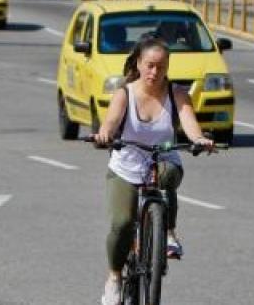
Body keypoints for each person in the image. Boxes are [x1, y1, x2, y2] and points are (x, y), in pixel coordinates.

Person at [93, 36, 215, 305]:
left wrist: (198, 139)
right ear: (139, 63)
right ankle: (114, 277)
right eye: (150, 65)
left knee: (168, 174)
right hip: (126, 166)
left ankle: (168, 232)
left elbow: (189, 122)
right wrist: (104, 135)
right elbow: (111, 123)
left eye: (161, 66)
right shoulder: (124, 94)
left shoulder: (177, 94)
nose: (155, 72)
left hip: (162, 158)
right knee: (122, 224)